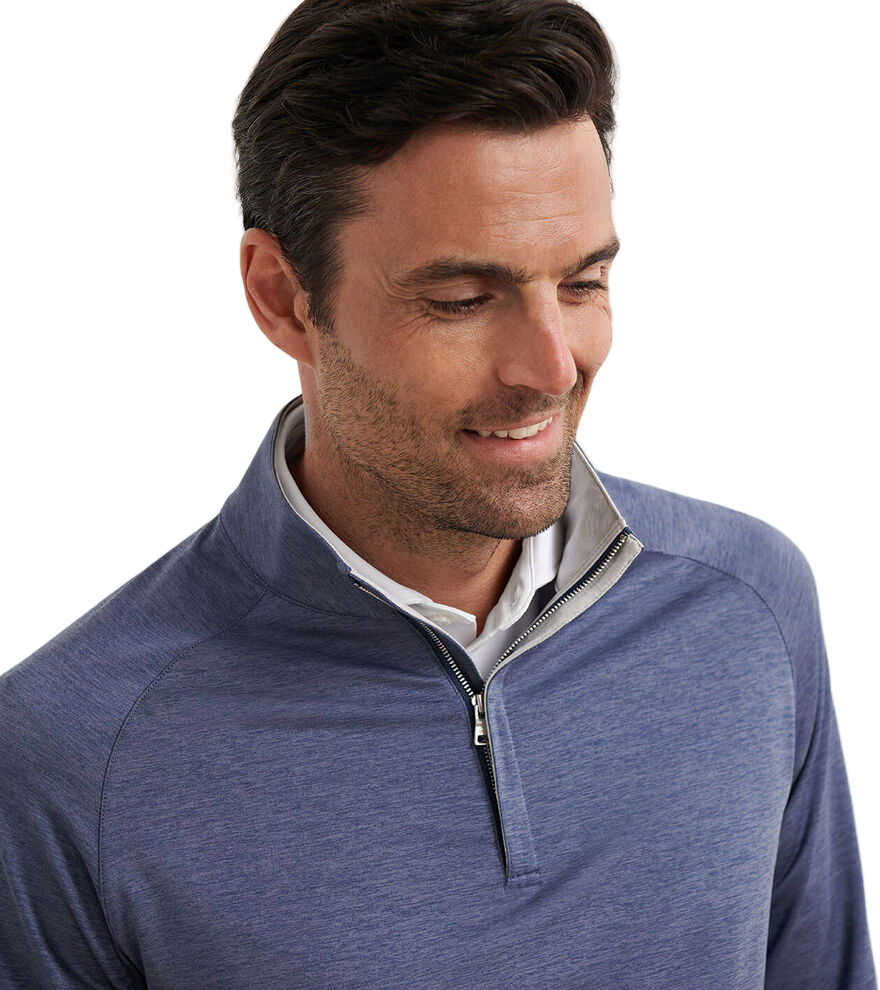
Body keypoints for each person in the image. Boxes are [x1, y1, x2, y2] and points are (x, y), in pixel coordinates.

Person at [0, 0, 875, 986]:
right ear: (283, 297)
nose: (552, 367)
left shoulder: (747, 607)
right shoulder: (69, 752)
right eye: (461, 300)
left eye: (583, 284)